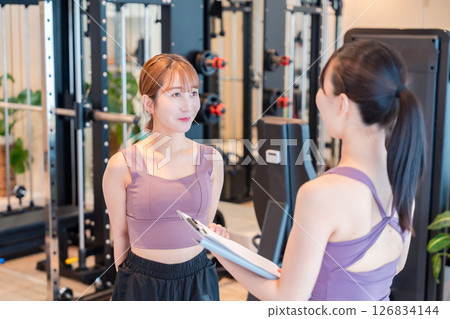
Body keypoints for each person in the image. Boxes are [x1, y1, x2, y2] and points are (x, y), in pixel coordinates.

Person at [212, 40, 426, 301]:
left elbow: (287, 298)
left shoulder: (321, 194)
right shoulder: (401, 181)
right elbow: (394, 265)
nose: (317, 100)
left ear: (343, 104)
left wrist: (220, 250)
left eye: (323, 89)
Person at [102, 53, 226, 301]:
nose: (188, 105)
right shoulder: (122, 165)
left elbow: (204, 229)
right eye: (176, 94)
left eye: (193, 93)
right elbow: (121, 236)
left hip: (198, 278)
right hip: (142, 281)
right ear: (149, 103)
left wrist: (217, 234)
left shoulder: (212, 159)